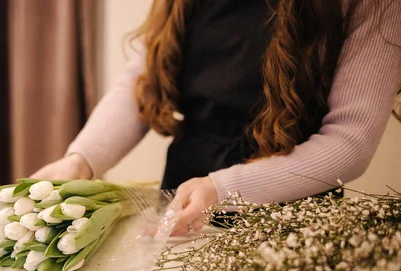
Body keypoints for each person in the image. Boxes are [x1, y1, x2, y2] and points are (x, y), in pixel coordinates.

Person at [31, 0, 401, 236]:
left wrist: (223, 189)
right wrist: (80, 161)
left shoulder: (376, 6)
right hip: (182, 198)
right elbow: (141, 83)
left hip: (287, 220)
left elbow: (349, 142)